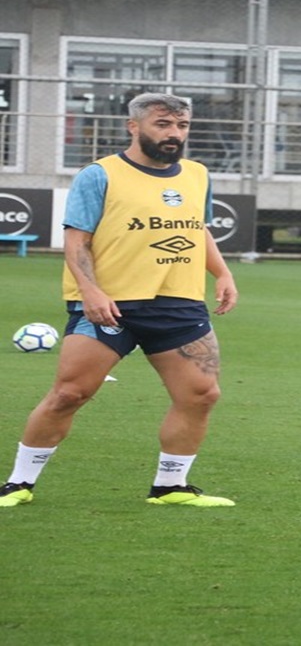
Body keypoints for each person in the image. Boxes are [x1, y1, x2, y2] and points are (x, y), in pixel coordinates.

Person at [0, 92, 239, 509]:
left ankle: (170, 487)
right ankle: (19, 482)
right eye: (163, 124)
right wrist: (90, 291)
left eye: (181, 126)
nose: (174, 134)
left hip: (178, 303)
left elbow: (196, 228)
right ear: (134, 126)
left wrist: (221, 272)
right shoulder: (99, 175)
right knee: (70, 394)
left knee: (201, 394)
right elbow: (76, 241)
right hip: (110, 303)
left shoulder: (197, 174)